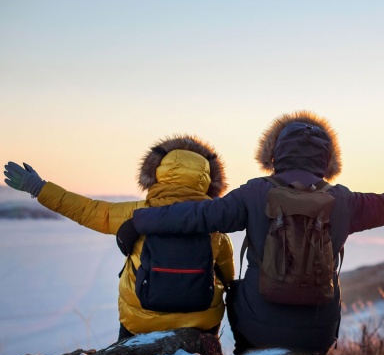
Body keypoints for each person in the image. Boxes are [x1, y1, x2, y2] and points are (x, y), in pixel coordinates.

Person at [116, 110, 384, 355]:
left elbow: (196, 216)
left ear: (275, 156)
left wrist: (140, 221)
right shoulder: (344, 200)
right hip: (319, 333)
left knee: (235, 286)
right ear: (327, 160)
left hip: (258, 327)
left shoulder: (255, 193)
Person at [3, 135, 235, 341]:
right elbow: (227, 273)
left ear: (156, 174)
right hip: (202, 320)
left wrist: (37, 187)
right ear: (208, 181)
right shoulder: (212, 221)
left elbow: (86, 209)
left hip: (140, 320)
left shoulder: (135, 213)